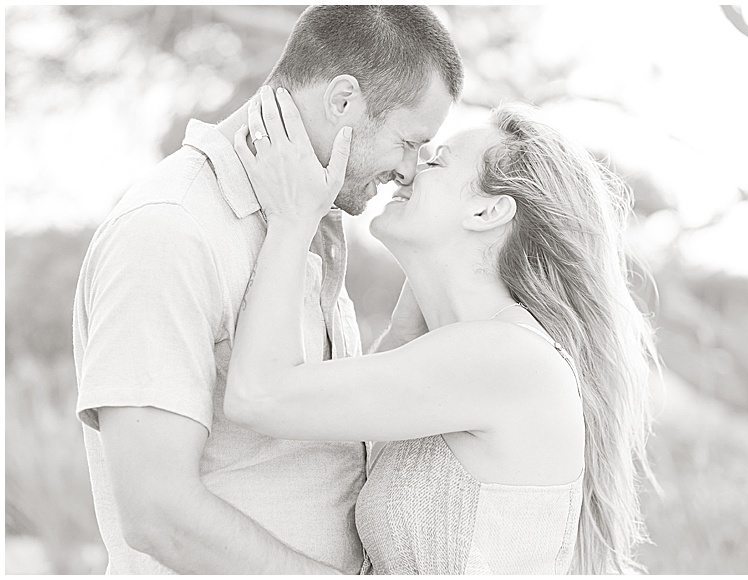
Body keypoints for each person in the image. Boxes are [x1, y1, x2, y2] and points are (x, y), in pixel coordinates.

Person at [72, 5, 463, 574]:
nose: (409, 169)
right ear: (344, 101)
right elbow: (156, 511)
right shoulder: (170, 230)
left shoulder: (307, 220)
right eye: (408, 141)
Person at [224, 91, 658, 574]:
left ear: (487, 212)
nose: (407, 171)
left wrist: (292, 219)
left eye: (436, 163)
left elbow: (257, 395)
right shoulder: (470, 352)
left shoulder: (501, 357)